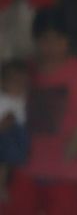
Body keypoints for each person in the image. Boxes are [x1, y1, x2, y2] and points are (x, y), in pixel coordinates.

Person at [3, 6, 77, 215]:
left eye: (58, 39)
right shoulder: (22, 71)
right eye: (45, 39)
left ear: (68, 40)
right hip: (23, 170)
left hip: (66, 173)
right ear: (35, 40)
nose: (51, 46)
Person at [0, 59, 29, 201]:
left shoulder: (23, 98)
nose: (18, 85)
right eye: (13, 81)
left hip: (19, 134)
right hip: (6, 134)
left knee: (11, 164)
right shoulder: (2, 98)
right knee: (4, 162)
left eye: (21, 82)